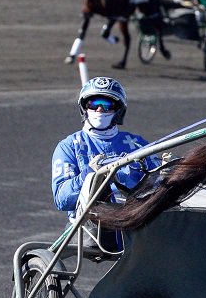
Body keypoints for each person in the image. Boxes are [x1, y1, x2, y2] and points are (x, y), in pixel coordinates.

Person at [51, 77, 158, 254]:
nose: (100, 109)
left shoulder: (137, 144)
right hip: (93, 225)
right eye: (94, 104)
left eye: (107, 105)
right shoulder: (69, 146)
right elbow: (62, 200)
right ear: (84, 108)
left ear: (118, 110)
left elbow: (159, 182)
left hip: (138, 219)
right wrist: (89, 175)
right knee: (99, 181)